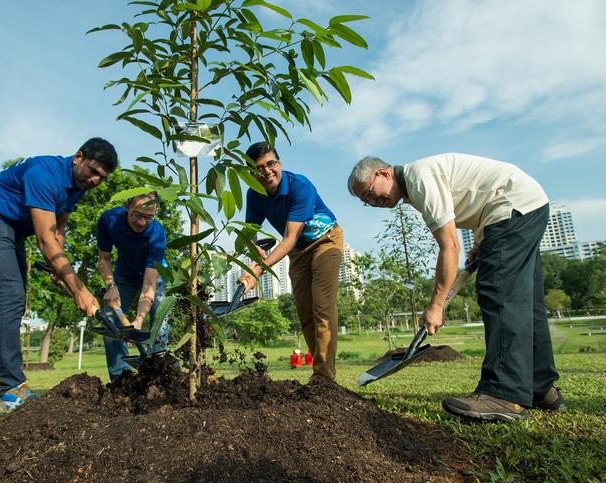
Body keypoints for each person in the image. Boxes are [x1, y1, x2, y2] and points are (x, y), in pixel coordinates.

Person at [347, 152, 564, 421]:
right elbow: (478, 199)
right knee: (527, 303)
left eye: (369, 192)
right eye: (365, 201)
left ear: (383, 173)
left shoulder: (419, 178)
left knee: (499, 295)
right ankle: (541, 387)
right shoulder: (419, 181)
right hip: (523, 206)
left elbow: (449, 246)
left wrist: (436, 305)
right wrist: (481, 241)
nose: (372, 201)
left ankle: (504, 393)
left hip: (512, 208)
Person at [0, 138, 118, 415]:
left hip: (11, 230)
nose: (95, 180)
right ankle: (12, 388)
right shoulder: (44, 174)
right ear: (78, 157)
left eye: (102, 178)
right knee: (10, 298)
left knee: (10, 303)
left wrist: (61, 270)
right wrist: (79, 289)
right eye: (93, 171)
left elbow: (58, 231)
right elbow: (45, 241)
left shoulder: (77, 187)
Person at [238, 142, 343, 382]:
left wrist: (257, 271)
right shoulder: (254, 194)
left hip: (325, 241)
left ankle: (323, 378)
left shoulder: (300, 186)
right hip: (298, 252)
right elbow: (249, 232)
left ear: (279, 164)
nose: (266, 172)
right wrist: (253, 253)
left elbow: (288, 238)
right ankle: (324, 373)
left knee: (322, 306)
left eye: (270, 164)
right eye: (258, 168)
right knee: (305, 310)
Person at [97, 192, 169, 382]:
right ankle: (121, 378)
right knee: (111, 318)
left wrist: (138, 321)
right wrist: (110, 285)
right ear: (127, 206)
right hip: (124, 274)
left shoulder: (157, 234)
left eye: (148, 217)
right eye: (137, 215)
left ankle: (160, 373)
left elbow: (149, 283)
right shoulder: (109, 219)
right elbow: (103, 259)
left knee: (161, 319)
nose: (141, 222)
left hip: (154, 275)